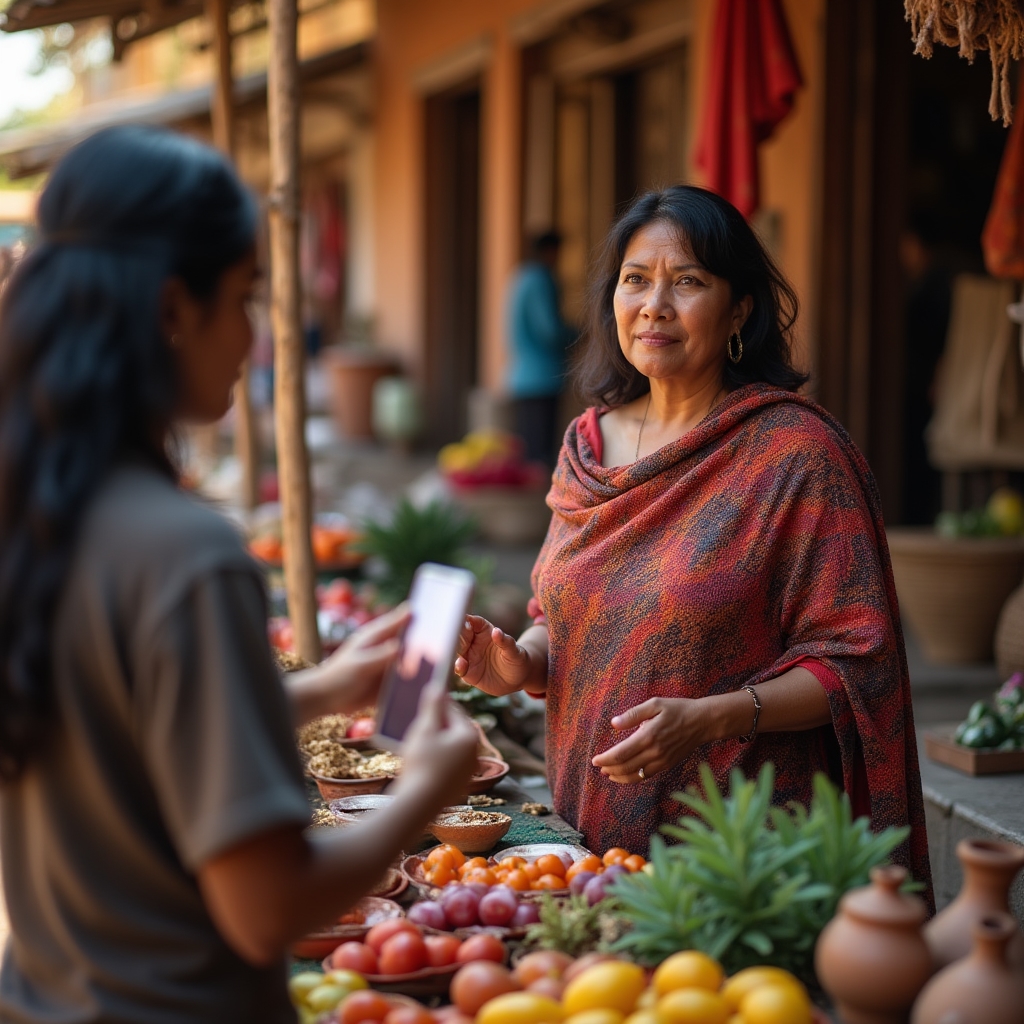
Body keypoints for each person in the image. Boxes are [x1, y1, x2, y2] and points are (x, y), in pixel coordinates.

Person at [0, 126, 479, 1023]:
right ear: (174, 308)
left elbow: (114, 732)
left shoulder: (36, 514)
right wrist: (427, 789)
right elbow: (266, 910)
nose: (256, 333)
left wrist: (324, 688)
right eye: (245, 295)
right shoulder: (186, 555)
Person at [457, 185, 931, 893]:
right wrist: (520, 666)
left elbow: (858, 661)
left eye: (688, 282)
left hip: (740, 864)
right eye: (636, 281)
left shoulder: (795, 457)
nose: (655, 305)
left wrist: (713, 719)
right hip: (585, 848)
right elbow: (563, 618)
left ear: (739, 308)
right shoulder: (585, 446)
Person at [505, 231, 576, 466]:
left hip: (522, 375)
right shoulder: (541, 279)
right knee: (540, 457)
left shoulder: (521, 277)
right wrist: (580, 333)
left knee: (529, 451)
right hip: (542, 376)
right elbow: (549, 330)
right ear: (550, 251)